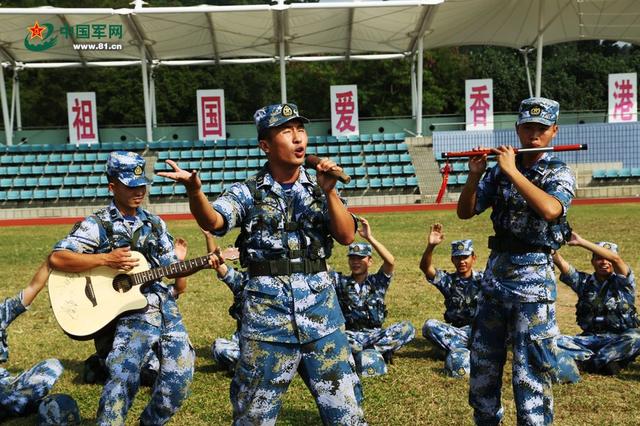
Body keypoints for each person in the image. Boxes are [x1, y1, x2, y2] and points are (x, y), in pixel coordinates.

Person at [159, 103, 366, 425]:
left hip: (322, 318)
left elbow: (346, 236)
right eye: (287, 131)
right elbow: (214, 221)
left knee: (347, 415)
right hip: (267, 321)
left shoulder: (317, 188)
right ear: (265, 145)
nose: (298, 139)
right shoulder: (248, 192)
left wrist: (331, 193)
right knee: (253, 416)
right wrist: (195, 192)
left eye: (300, 130)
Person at [48, 151, 210, 426]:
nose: (139, 191)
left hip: (165, 307)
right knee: (122, 379)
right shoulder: (97, 225)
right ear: (113, 186)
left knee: (179, 380)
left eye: (142, 185)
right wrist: (104, 259)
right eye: (130, 186)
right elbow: (58, 258)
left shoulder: (155, 224)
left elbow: (173, 266)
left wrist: (206, 262)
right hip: (129, 313)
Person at [457, 97, 575, 425]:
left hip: (533, 280)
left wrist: (512, 171)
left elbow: (552, 210)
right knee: (484, 365)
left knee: (530, 372)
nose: (533, 134)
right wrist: (474, 176)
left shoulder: (558, 170)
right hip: (496, 277)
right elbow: (466, 211)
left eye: (541, 128)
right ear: (518, 129)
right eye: (527, 127)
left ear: (553, 131)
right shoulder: (498, 172)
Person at [82, 237, 189, 387]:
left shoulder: (157, 290)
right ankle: (101, 363)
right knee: (145, 372)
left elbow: (179, 288)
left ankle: (104, 362)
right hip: (118, 339)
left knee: (168, 368)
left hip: (145, 342)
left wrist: (179, 262)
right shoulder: (120, 290)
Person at [331, 217, 415, 376]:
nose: (356, 262)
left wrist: (369, 237)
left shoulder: (378, 281)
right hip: (351, 335)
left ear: (370, 261)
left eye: (360, 258)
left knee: (407, 328)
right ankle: (376, 352)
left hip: (375, 334)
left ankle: (360, 353)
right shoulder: (340, 281)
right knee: (334, 338)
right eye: (352, 258)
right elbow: (323, 267)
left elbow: (390, 261)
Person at [552, 231, 640, 374]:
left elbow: (616, 259)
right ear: (592, 261)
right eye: (599, 258)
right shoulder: (584, 282)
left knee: (637, 337)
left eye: (607, 258)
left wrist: (581, 242)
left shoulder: (624, 283)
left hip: (618, 338)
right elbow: (561, 263)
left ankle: (588, 363)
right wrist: (548, 247)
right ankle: (607, 362)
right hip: (589, 339)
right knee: (554, 341)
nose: (604, 262)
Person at [0, 261, 66, 421]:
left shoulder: (2, 313)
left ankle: (16, 403)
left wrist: (50, 263)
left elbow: (32, 288)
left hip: (6, 381)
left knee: (52, 365)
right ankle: (20, 404)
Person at [419, 223, 483, 378]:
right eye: (458, 258)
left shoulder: (485, 279)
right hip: (456, 331)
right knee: (429, 326)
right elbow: (426, 268)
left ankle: (450, 348)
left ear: (473, 258)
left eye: (465, 257)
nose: (462, 261)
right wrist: (431, 246)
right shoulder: (448, 280)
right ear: (452, 260)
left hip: (479, 331)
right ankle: (474, 350)